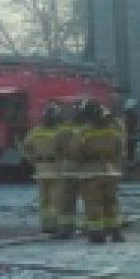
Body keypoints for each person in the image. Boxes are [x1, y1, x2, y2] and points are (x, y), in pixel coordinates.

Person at [72, 100, 124, 244]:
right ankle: (116, 232)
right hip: (109, 170)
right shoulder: (113, 129)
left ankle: (97, 233)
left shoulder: (83, 131)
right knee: (111, 202)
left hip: (91, 170)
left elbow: (76, 152)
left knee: (93, 203)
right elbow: (120, 148)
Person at [20, 104, 65, 236]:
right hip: (49, 168)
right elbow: (26, 148)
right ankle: (49, 225)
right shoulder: (57, 131)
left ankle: (52, 224)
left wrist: (33, 160)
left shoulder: (36, 131)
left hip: (47, 168)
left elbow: (27, 148)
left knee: (50, 199)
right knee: (48, 199)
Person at [54, 101, 86, 239]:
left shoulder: (62, 130)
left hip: (67, 166)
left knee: (66, 199)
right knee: (90, 199)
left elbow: (56, 150)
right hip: (86, 166)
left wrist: (63, 162)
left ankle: (65, 228)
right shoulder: (88, 130)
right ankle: (90, 226)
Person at [123, 98, 140, 165]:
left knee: (127, 150)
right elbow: (135, 126)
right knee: (131, 150)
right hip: (131, 135)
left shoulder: (124, 114)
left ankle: (127, 163)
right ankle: (129, 163)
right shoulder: (133, 115)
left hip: (125, 135)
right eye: (134, 106)